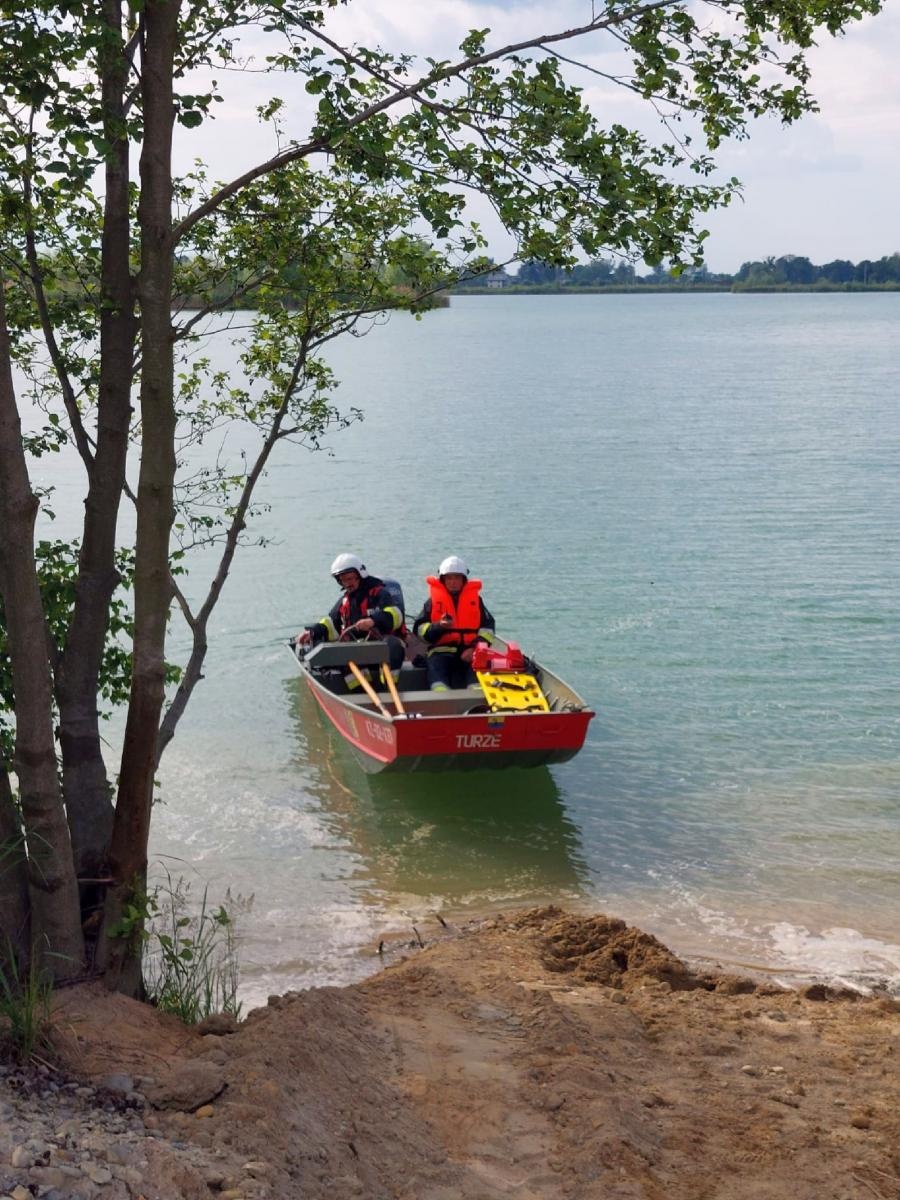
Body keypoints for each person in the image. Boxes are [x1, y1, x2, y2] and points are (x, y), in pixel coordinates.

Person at [295, 554, 406, 687]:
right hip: (359, 651)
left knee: (393, 645)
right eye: (343, 580)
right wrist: (312, 632)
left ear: (360, 575)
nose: (347, 583)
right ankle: (361, 691)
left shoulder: (379, 593)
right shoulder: (345, 601)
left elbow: (396, 616)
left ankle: (389, 686)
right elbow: (332, 625)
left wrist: (373, 621)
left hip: (382, 646)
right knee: (344, 652)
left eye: (350, 579)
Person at [413, 556, 495, 691]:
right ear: (443, 580)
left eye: (457, 578)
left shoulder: (476, 600)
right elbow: (420, 630)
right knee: (436, 672)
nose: (453, 582)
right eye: (449, 578)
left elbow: (488, 628)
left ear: (464, 580)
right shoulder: (432, 602)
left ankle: (477, 703)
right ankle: (442, 699)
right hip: (441, 651)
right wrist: (439, 626)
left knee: (477, 678)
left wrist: (474, 648)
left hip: (470, 651)